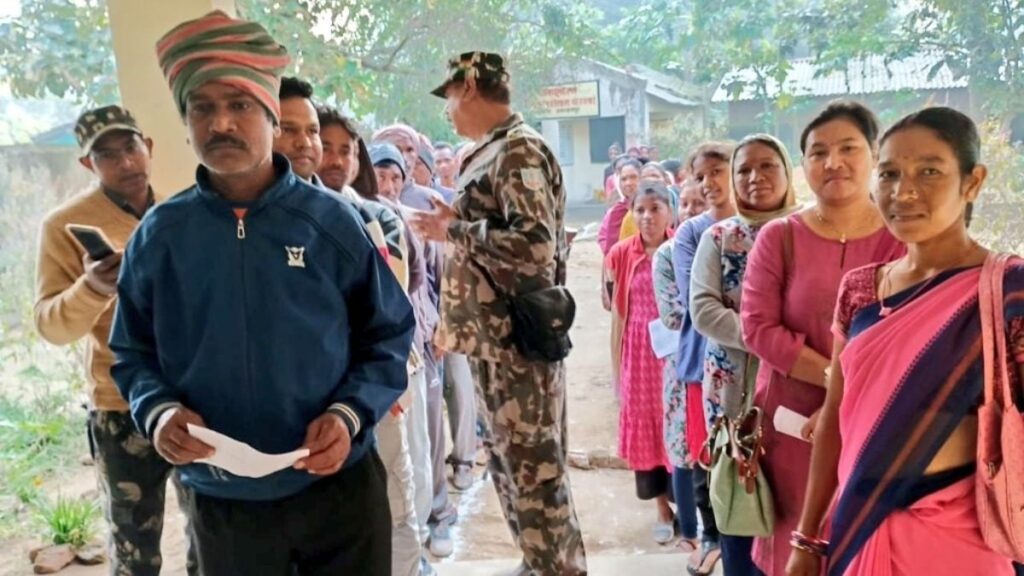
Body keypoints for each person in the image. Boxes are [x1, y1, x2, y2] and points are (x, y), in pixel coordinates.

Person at [110, 11, 415, 574]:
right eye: (203, 107)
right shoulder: (160, 237)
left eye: (240, 105)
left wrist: (349, 415)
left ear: (272, 117)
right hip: (223, 501)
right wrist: (157, 411)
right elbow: (130, 353)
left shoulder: (334, 224)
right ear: (185, 121)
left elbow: (390, 335)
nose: (221, 122)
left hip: (337, 490)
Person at [786, 107, 1019, 576]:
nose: (903, 190)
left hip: (959, 540)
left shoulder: (1008, 291)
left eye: (929, 171)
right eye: (889, 173)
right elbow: (834, 416)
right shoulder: (861, 290)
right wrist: (808, 539)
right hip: (858, 528)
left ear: (972, 182)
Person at [410, 50, 587, 575]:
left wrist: (455, 230)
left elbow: (534, 247)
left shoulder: (518, 150)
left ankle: (559, 568)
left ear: (468, 86)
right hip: (494, 342)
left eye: (449, 97)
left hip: (518, 344)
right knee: (512, 468)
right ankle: (539, 561)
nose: (448, 111)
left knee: (536, 471)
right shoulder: (490, 151)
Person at [740, 100, 904, 575]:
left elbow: (902, 337)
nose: (833, 162)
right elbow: (758, 327)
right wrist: (834, 379)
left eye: (848, 148)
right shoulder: (779, 237)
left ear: (874, 154)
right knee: (791, 548)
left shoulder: (902, 240)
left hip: (874, 423)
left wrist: (844, 399)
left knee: (863, 546)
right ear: (804, 165)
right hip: (790, 426)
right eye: (818, 152)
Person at [34, 105, 197, 576]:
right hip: (120, 406)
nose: (125, 162)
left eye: (130, 147)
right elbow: (51, 325)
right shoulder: (65, 226)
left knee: (207, 533)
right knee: (134, 548)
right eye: (107, 154)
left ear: (148, 146)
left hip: (192, 402)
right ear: (88, 165)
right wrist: (93, 288)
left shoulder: (178, 215)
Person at [691, 134, 802, 575]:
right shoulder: (720, 238)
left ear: (787, 171)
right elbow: (703, 310)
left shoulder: (809, 233)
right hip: (733, 397)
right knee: (741, 496)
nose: (755, 177)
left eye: (767, 166)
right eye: (744, 169)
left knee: (795, 503)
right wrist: (769, 338)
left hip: (798, 393)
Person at [673, 141, 738, 576]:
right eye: (701, 175)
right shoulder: (690, 234)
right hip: (705, 362)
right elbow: (699, 304)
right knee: (708, 453)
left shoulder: (771, 225)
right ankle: (715, 537)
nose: (709, 182)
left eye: (718, 171)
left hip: (764, 365)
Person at [606, 180, 678, 543]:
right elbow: (615, 309)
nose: (647, 217)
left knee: (678, 423)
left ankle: (690, 511)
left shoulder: (683, 248)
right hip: (638, 352)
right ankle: (662, 508)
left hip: (676, 354)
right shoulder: (622, 253)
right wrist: (616, 365)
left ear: (670, 211)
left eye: (655, 208)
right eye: (641, 210)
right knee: (648, 428)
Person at [652, 178, 704, 554]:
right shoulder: (667, 256)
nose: (691, 210)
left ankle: (721, 533)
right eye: (684, 203)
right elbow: (672, 315)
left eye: (698, 203)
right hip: (684, 362)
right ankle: (690, 530)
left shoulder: (735, 244)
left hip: (732, 367)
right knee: (683, 442)